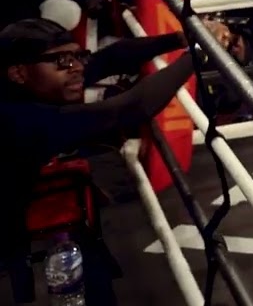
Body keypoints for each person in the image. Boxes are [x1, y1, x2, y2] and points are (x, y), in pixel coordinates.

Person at [0, 18, 207, 304]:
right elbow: (130, 108)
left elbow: (109, 58)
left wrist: (178, 39)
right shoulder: (17, 120)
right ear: (18, 73)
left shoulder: (25, 85)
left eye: (77, 56)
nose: (77, 67)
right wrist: (199, 53)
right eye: (62, 60)